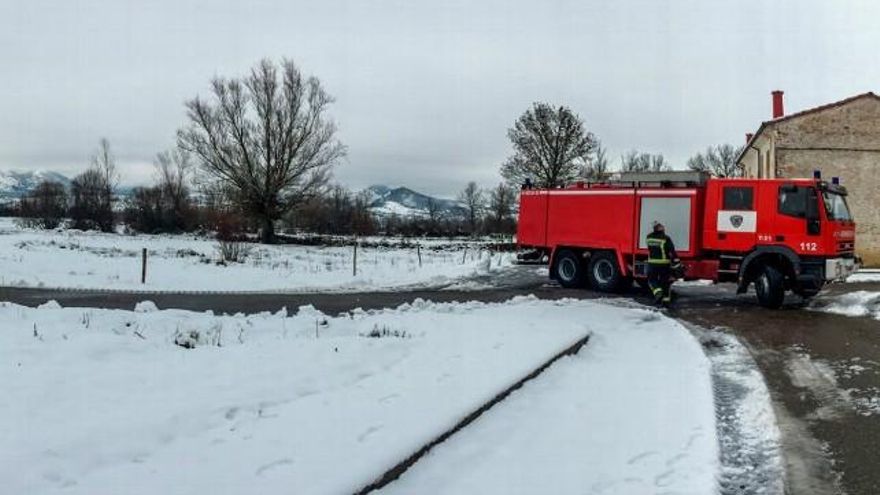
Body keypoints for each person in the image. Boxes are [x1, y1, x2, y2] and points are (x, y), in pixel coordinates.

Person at [646, 221, 681, 306]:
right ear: (658, 228)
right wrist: (677, 263)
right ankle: (665, 301)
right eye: (661, 226)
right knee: (665, 283)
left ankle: (658, 293)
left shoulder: (649, 237)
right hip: (664, 264)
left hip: (652, 263)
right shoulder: (666, 238)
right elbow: (672, 251)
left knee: (652, 280)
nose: (663, 227)